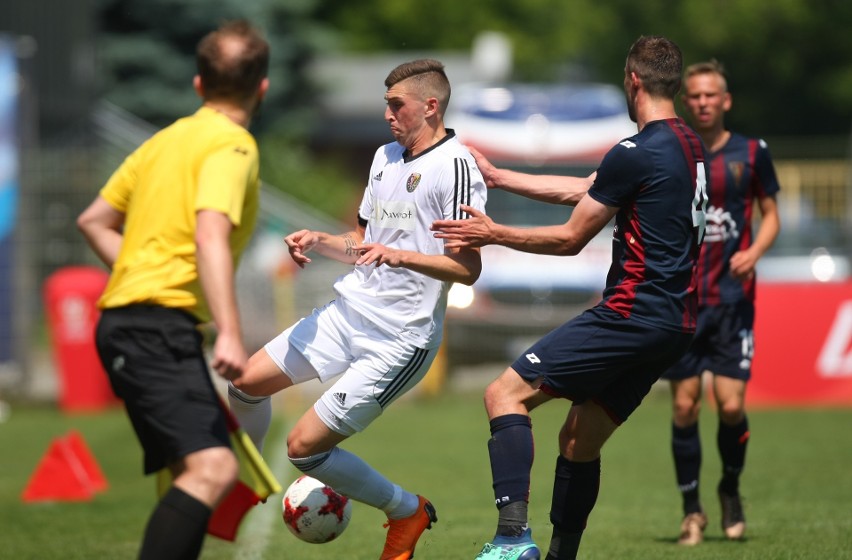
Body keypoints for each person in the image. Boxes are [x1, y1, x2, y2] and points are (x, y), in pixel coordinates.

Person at [432, 35, 707, 560]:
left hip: (630, 314)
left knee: (503, 395)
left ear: (633, 81)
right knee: (579, 438)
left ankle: (512, 540)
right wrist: (499, 177)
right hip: (675, 325)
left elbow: (569, 238)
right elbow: (591, 187)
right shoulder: (688, 147)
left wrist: (492, 232)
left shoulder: (636, 150)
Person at [227, 58, 486, 560]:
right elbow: (367, 241)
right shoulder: (384, 156)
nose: (388, 115)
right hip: (347, 313)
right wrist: (323, 240)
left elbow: (467, 269)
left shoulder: (455, 166)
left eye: (397, 105)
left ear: (430, 106)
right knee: (244, 384)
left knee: (304, 449)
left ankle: (406, 510)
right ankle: (250, 482)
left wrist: (401, 255)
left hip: (398, 339)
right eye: (385, 105)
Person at [76, 20, 269, 560]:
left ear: (198, 84)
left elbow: (93, 221)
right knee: (214, 469)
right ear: (262, 88)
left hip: (133, 322)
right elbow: (210, 231)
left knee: (197, 469)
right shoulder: (234, 146)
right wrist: (230, 332)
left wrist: (139, 271)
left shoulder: (162, 142)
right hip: (153, 326)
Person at [661, 59, 781, 546]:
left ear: (725, 100)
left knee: (729, 406)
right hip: (684, 300)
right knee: (685, 406)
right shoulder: (672, 152)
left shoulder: (752, 153)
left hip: (733, 301)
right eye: (694, 95)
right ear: (684, 100)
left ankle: (729, 488)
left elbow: (770, 213)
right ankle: (692, 511)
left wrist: (754, 251)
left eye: (711, 95)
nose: (703, 102)